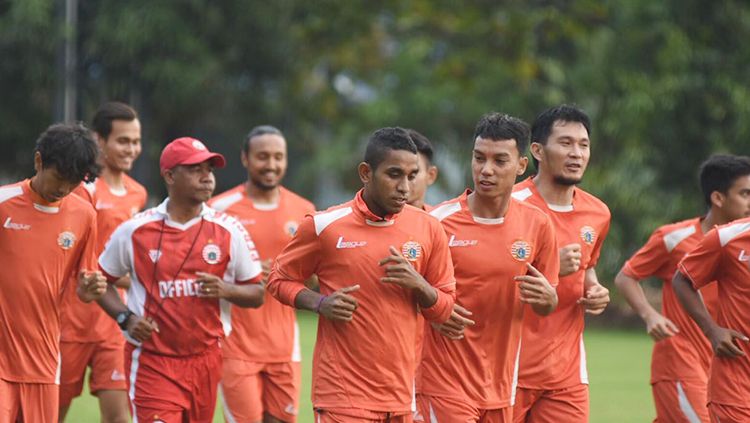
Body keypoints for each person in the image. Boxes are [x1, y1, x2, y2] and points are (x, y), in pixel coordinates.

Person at [267, 127, 456, 423]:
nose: (404, 187)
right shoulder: (325, 226)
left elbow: (445, 308)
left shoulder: (428, 228)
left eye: (411, 175)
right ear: (366, 173)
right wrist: (319, 303)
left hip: (402, 396)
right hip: (341, 395)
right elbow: (278, 280)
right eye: (394, 174)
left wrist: (419, 284)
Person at [94, 137, 266, 422]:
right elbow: (101, 281)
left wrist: (225, 289)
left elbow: (257, 293)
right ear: (170, 175)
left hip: (206, 360)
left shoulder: (229, 229)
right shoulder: (135, 230)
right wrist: (125, 318)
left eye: (209, 169)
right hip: (152, 360)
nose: (207, 177)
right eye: (195, 169)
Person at [415, 112, 559, 422]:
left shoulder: (538, 225)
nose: (486, 170)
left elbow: (548, 300)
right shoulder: (437, 222)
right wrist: (434, 310)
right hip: (441, 381)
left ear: (521, 166)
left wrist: (549, 300)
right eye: (479, 158)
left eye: (499, 161)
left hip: (501, 385)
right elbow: (402, 293)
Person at [615, 154, 750, 422]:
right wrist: (649, 314)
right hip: (680, 359)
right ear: (718, 198)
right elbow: (625, 277)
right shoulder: (673, 238)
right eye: (745, 194)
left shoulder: (740, 244)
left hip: (722, 360)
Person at [0, 123, 106, 422]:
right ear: (38, 162)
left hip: (44, 359)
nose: (63, 188)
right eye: (59, 178)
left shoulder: (84, 216)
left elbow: (83, 286)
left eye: (73, 183)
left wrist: (90, 289)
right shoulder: (4, 204)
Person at [511, 105, 611, 422]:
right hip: (507, 368)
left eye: (583, 144)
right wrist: (552, 266)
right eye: (565, 143)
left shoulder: (598, 213)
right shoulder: (510, 205)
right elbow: (484, 273)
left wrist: (595, 289)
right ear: (538, 150)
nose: (576, 153)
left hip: (565, 374)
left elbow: (587, 266)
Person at [210, 125, 315, 423]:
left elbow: (315, 277)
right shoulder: (219, 209)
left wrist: (288, 273)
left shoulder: (304, 210)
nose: (271, 165)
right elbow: (201, 268)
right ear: (245, 158)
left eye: (278, 157)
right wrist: (248, 272)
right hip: (235, 345)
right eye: (263, 156)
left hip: (284, 346)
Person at [59, 102, 147, 423]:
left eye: (136, 141)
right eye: (123, 141)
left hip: (114, 323)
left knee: (120, 418)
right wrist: (134, 278)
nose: (132, 149)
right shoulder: (80, 190)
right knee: (49, 413)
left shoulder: (138, 193)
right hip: (70, 323)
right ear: (99, 141)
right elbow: (73, 256)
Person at [406, 129, 439, 212]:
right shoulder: (371, 222)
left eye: (413, 172)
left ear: (431, 175)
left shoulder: (439, 221)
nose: (404, 180)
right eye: (396, 173)